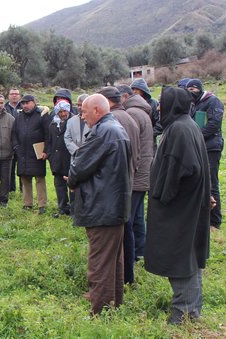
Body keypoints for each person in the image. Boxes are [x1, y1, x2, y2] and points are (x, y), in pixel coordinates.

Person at [145, 86, 212, 324]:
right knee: (189, 255)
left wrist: (163, 194)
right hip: (188, 205)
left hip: (179, 209)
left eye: (163, 103)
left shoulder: (179, 130)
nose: (160, 108)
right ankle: (190, 310)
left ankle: (183, 313)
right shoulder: (186, 125)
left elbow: (183, 168)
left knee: (181, 257)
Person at [67, 94, 131, 315]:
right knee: (113, 260)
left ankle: (100, 312)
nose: (81, 116)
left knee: (100, 263)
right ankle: (114, 304)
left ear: (96, 110)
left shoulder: (102, 132)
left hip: (102, 207)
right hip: (114, 206)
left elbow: (79, 166)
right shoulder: (116, 128)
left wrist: (73, 181)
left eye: (84, 111)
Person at [97, 86, 140, 285]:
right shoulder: (129, 117)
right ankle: (126, 276)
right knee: (128, 227)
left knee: (121, 232)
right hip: (128, 177)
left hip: (117, 183)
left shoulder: (114, 121)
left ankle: (122, 277)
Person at [118, 84, 154, 261]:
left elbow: (130, 147)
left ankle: (130, 255)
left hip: (136, 173)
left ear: (125, 96)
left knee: (129, 217)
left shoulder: (131, 114)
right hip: (143, 171)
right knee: (138, 214)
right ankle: (141, 249)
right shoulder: (142, 111)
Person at [186, 79, 224, 231]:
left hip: (211, 147)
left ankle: (215, 221)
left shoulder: (213, 101)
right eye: (189, 90)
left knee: (211, 183)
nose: (192, 93)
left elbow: (214, 124)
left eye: (194, 90)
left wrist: (196, 136)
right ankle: (202, 216)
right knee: (200, 180)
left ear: (200, 89)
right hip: (199, 147)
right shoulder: (193, 104)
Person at [13, 95, 49, 214]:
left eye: (27, 103)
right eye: (23, 103)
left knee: (39, 178)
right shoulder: (18, 117)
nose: (25, 105)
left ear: (34, 103)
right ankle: (27, 204)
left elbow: (48, 134)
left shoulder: (42, 115)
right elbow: (14, 134)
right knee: (25, 178)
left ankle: (42, 205)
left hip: (37, 152)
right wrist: (16, 147)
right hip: (22, 152)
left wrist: (45, 151)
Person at [46, 101, 72, 217]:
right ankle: (63, 208)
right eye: (60, 111)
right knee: (59, 186)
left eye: (65, 111)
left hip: (69, 160)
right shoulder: (53, 124)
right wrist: (50, 155)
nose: (63, 114)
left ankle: (74, 209)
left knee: (72, 185)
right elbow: (50, 141)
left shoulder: (73, 122)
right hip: (56, 160)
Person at [5, 88, 22, 193]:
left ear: (19, 96)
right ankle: (11, 189)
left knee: (22, 167)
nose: (14, 96)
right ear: (9, 96)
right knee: (10, 167)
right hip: (8, 141)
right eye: (12, 94)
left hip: (21, 142)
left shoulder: (24, 106)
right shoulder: (4, 107)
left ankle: (23, 189)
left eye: (16, 94)